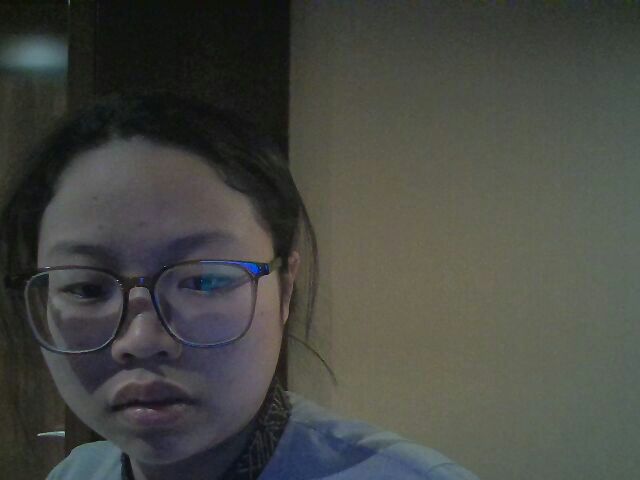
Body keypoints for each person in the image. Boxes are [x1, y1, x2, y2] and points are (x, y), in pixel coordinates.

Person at [0, 93, 479, 480]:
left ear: (285, 290)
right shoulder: (78, 473)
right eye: (85, 289)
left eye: (204, 280)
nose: (142, 340)